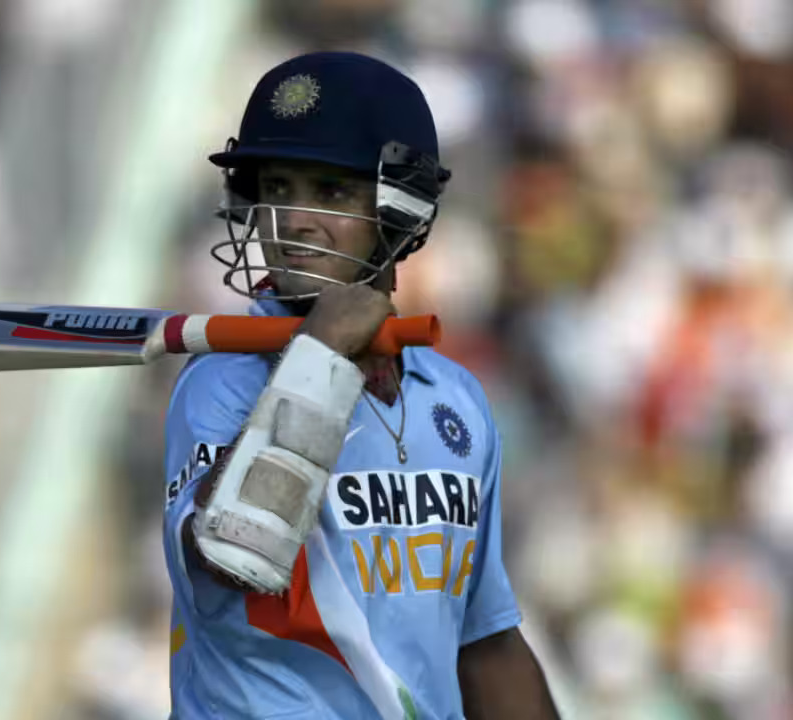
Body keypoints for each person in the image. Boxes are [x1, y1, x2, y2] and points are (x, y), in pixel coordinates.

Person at [162, 51, 560, 720]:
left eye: (330, 193)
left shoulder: (456, 399)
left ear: (402, 211)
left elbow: (483, 641)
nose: (294, 219)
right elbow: (237, 550)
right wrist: (321, 356)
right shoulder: (220, 382)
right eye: (278, 188)